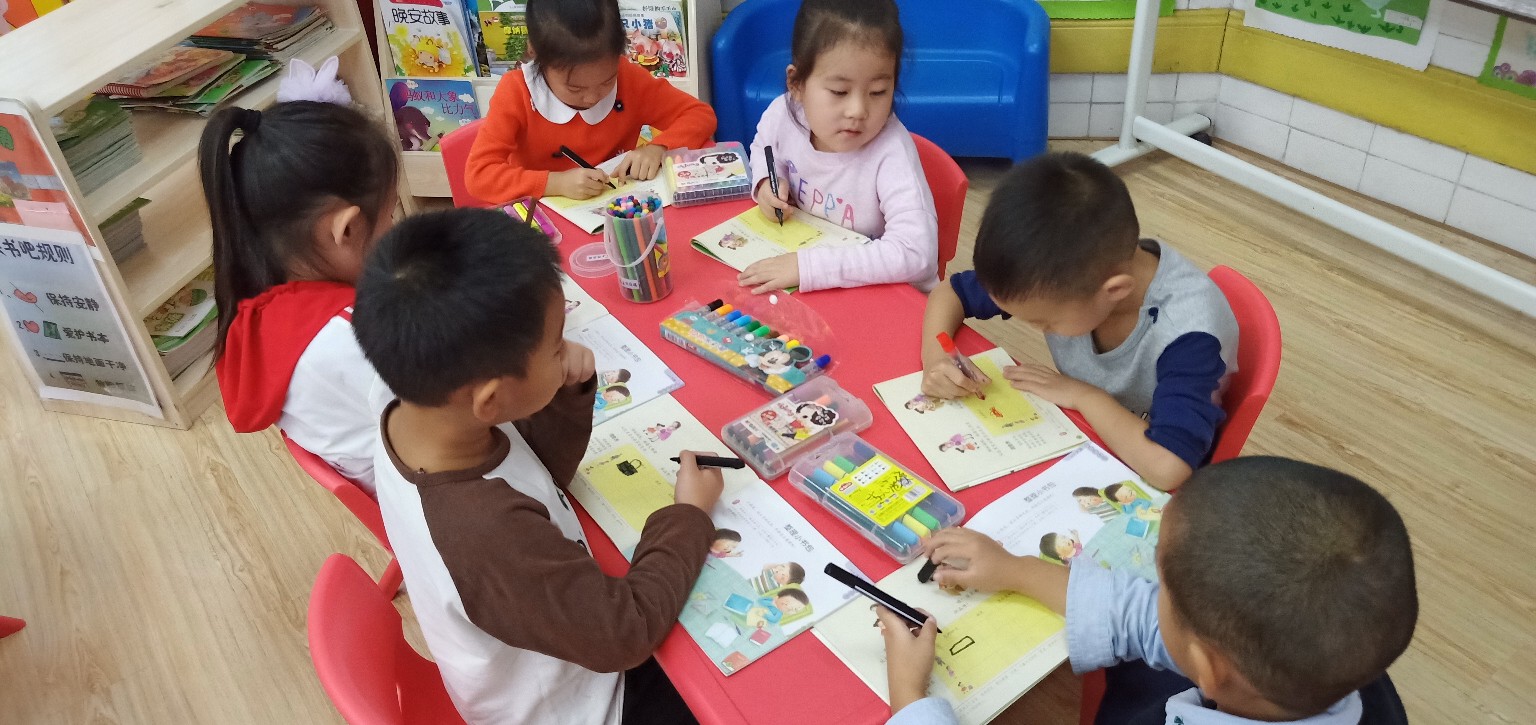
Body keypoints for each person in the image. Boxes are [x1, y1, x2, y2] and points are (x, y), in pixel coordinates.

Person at [353, 208, 722, 725]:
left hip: (562, 642)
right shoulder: (486, 531)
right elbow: (624, 634)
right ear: (490, 400)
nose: (567, 350)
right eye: (554, 348)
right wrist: (689, 517)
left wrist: (564, 391)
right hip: (588, 707)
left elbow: (534, 474)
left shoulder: (418, 410)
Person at [890, 457, 1417, 724]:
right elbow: (1145, 616)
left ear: (1206, 667)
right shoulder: (1330, 657)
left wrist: (911, 700)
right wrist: (1017, 570)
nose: (1149, 590)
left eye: (1160, 582)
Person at [921, 153, 1238, 490]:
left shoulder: (1187, 336)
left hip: (1155, 479)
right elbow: (949, 293)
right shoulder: (1062, 271)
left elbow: (1168, 467)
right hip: (1085, 437)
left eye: (1044, 322)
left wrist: (1083, 396)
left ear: (1114, 291)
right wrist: (937, 357)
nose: (1038, 329)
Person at [202, 58, 399, 492]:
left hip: (390, 485)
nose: (394, 228)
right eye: (389, 215)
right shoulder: (360, 338)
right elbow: (465, 408)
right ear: (346, 230)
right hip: (437, 499)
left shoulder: (264, 312)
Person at [738, 0, 939, 294]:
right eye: (839, 91)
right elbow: (763, 148)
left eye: (878, 92)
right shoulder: (784, 114)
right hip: (819, 285)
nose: (858, 110)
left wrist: (808, 268)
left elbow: (917, 253)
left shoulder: (892, 152)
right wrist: (767, 183)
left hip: (888, 299)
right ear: (797, 84)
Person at [464, 0, 716, 202]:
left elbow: (699, 114)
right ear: (535, 52)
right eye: (575, 88)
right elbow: (479, 176)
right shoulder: (517, 92)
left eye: (607, 81)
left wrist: (658, 148)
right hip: (545, 221)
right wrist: (555, 183)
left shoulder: (629, 78)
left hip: (617, 208)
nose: (592, 97)